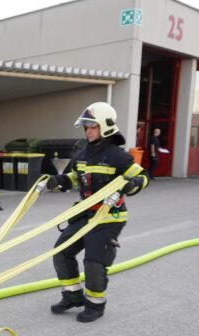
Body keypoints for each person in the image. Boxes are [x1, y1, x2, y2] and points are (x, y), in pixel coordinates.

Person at [43, 102, 149, 322]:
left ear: (105, 127)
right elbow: (72, 178)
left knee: (94, 261)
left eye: (92, 126)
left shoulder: (117, 156)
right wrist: (56, 181)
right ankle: (72, 296)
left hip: (109, 217)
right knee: (61, 251)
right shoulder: (82, 154)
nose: (88, 130)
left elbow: (143, 176)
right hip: (85, 214)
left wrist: (133, 184)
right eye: (86, 127)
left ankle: (95, 305)